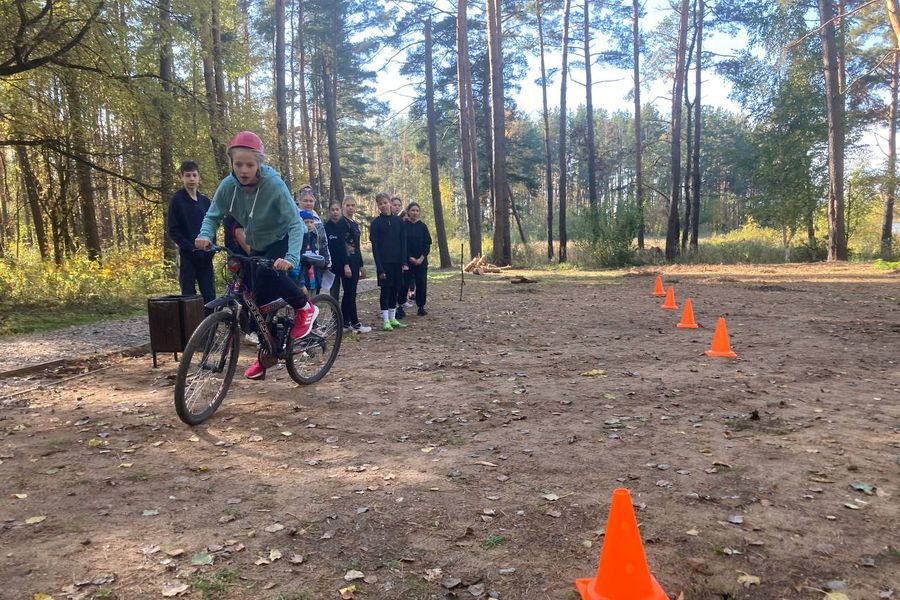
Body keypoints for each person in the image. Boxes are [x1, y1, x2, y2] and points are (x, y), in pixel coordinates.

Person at [195, 131, 319, 381]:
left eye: (250, 164)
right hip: (254, 243)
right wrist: (205, 235)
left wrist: (291, 259)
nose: (243, 170)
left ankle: (304, 307)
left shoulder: (273, 185)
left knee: (268, 272)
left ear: (259, 163)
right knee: (254, 305)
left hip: (282, 239)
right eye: (238, 164)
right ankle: (267, 355)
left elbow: (295, 223)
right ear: (232, 162)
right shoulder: (228, 186)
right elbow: (213, 215)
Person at [167, 160, 215, 309]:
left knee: (209, 296)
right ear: (182, 177)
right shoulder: (177, 200)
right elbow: (173, 230)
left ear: (199, 177)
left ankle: (210, 330)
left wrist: (211, 248)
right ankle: (191, 330)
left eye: (194, 175)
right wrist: (190, 248)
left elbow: (213, 225)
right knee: (188, 296)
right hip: (188, 256)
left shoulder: (205, 201)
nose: (191, 179)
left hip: (205, 257)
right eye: (188, 175)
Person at [370, 191, 408, 331]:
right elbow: (375, 247)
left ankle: (393, 318)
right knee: (385, 291)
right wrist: (380, 268)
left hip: (397, 263)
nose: (384, 205)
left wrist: (404, 261)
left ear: (390, 203)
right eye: (381, 204)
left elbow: (403, 242)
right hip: (384, 263)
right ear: (378, 206)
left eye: (385, 202)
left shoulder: (399, 221)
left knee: (395, 290)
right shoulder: (376, 224)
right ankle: (385, 320)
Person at [332, 196, 371, 333]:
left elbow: (357, 246)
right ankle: (354, 323)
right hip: (346, 262)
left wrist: (361, 265)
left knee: (351, 293)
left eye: (353, 205)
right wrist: (345, 265)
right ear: (343, 206)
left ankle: (346, 322)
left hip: (355, 261)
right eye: (347, 205)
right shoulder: (342, 223)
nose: (350, 208)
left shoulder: (354, 223)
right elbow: (341, 246)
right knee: (349, 293)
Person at [296, 185, 332, 293]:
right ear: (299, 201)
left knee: (315, 288)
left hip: (315, 260)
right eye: (305, 200)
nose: (308, 203)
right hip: (300, 261)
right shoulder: (294, 216)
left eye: (311, 201)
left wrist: (327, 260)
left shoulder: (316, 217)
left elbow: (323, 240)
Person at [403, 202, 431, 316]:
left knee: (421, 283)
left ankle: (421, 306)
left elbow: (427, 243)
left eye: (417, 211)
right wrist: (409, 257)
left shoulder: (423, 226)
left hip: (421, 261)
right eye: (413, 210)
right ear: (408, 212)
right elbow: (402, 243)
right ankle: (400, 305)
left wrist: (421, 258)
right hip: (407, 261)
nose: (415, 212)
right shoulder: (403, 225)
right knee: (404, 283)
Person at [296, 209, 324, 294]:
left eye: (311, 222)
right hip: (302, 277)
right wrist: (300, 283)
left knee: (314, 302)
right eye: (306, 222)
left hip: (314, 277)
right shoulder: (297, 239)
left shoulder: (316, 237)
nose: (309, 225)